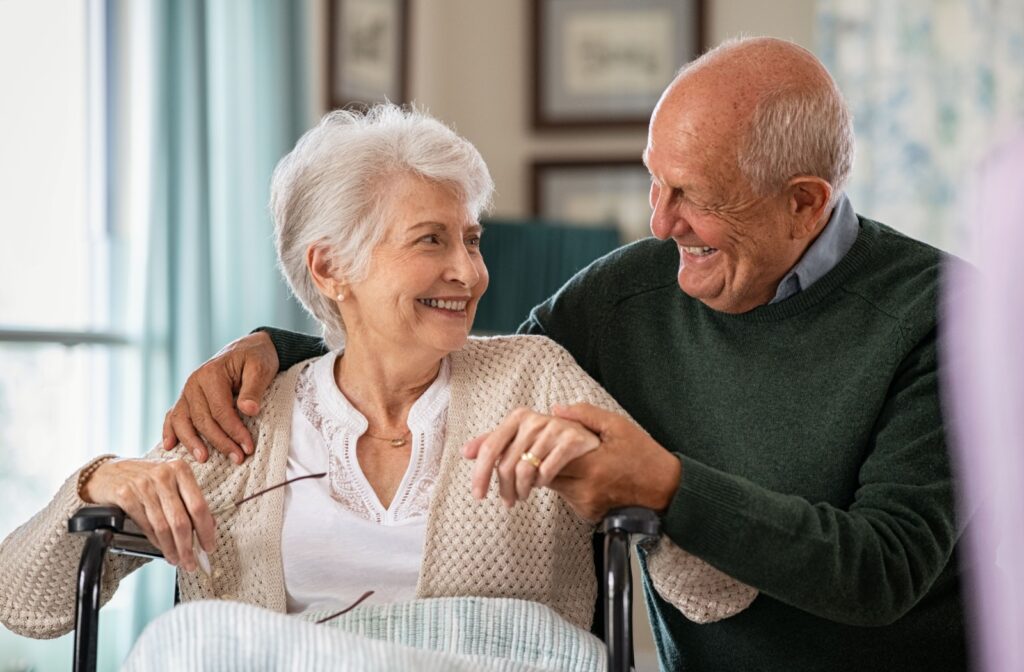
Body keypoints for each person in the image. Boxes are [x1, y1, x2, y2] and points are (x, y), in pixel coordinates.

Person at [163, 37, 968, 671]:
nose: (660, 224)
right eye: (656, 181)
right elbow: (475, 368)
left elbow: (885, 570)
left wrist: (667, 485)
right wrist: (282, 357)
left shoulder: (951, 314)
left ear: (805, 204)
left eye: (695, 197)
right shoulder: (631, 293)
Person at [0, 105, 752, 648]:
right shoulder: (249, 420)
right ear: (330, 268)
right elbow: (22, 602)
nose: (468, 271)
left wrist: (641, 485)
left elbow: (715, 590)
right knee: (192, 639)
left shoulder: (533, 376)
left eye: (471, 239)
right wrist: (98, 481)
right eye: (431, 241)